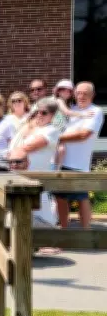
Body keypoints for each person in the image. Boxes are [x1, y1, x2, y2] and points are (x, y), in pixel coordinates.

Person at [56, 83, 104, 229]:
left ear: (92, 95)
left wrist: (58, 138)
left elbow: (84, 135)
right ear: (74, 94)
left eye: (85, 93)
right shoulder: (72, 110)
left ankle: (86, 234)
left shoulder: (95, 111)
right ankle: (64, 232)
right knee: (61, 198)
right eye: (78, 93)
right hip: (61, 162)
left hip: (79, 164)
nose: (81, 96)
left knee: (81, 197)